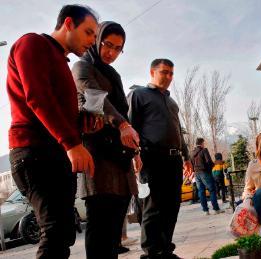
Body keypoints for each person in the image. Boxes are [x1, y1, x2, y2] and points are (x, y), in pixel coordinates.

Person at [7, 5, 97, 258]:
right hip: (34, 153)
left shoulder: (61, 61)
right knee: (55, 231)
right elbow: (37, 97)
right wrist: (71, 143)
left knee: (65, 231)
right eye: (88, 32)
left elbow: (55, 110)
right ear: (68, 23)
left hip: (55, 153)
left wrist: (82, 123)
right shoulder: (32, 44)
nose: (92, 41)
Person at [71, 21, 141, 259]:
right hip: (98, 157)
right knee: (100, 223)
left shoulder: (113, 74)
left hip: (120, 157)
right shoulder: (83, 66)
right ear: (97, 40)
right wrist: (122, 124)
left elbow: (122, 108)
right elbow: (93, 96)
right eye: (107, 45)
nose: (111, 52)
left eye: (118, 48)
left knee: (114, 227)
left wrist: (136, 150)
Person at [128, 58, 193, 259]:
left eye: (171, 73)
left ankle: (165, 250)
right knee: (153, 208)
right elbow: (129, 127)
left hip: (173, 161)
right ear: (152, 72)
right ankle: (152, 253)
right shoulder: (138, 95)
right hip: (150, 158)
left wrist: (187, 156)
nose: (168, 77)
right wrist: (134, 154)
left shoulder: (172, 103)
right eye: (164, 72)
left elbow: (178, 133)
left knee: (172, 206)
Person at [191, 138, 223, 215]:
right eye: (203, 143)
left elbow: (191, 163)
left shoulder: (192, 153)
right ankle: (216, 209)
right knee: (212, 190)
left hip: (196, 174)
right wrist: (212, 166)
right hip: (205, 172)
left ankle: (205, 211)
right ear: (202, 143)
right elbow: (208, 161)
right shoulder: (204, 150)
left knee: (201, 191)